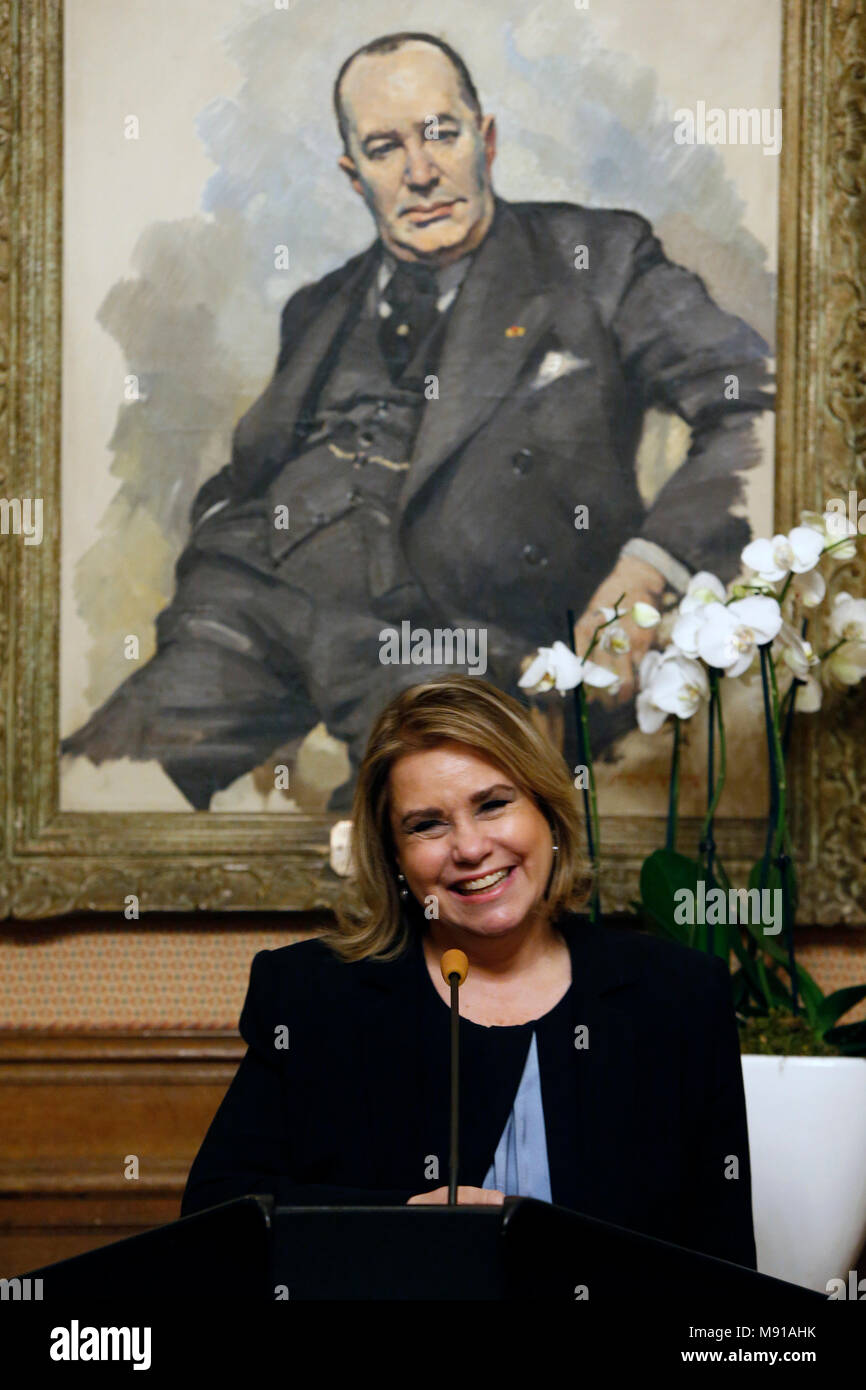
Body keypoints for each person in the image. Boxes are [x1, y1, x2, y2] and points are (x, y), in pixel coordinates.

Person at [62, 31, 773, 812]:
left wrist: (644, 576)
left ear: (486, 139)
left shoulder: (599, 257)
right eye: (385, 147)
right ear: (353, 175)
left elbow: (754, 401)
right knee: (89, 796)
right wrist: (216, 577)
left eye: (441, 132)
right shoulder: (319, 307)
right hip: (245, 624)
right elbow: (250, 477)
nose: (422, 170)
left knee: (403, 862)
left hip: (461, 642)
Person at [181, 674, 757, 1270]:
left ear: (548, 815)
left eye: (493, 804)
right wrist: (399, 1223)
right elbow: (216, 1216)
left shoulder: (679, 996)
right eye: (427, 824)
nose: (470, 848)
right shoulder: (312, 994)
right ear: (396, 857)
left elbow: (723, 1274)